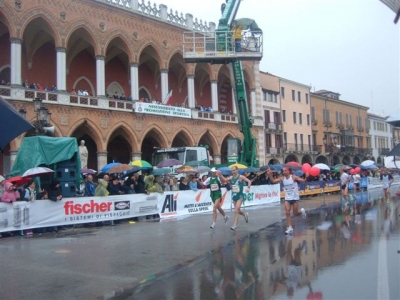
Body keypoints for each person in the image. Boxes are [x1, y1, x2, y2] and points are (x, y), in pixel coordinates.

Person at [267, 167, 307, 234]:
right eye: (283, 171)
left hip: (295, 198)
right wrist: (270, 175)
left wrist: (306, 176)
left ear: (289, 171)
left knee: (295, 213)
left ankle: (302, 211)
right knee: (287, 212)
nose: (284, 172)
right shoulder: (282, 178)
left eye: (285, 171)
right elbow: (273, 181)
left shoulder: (293, 177)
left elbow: (303, 181)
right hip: (287, 198)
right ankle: (290, 227)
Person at [223, 166, 251, 231]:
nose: (233, 172)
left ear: (237, 170)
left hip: (240, 196)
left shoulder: (241, 177)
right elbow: (224, 180)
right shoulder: (231, 177)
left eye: (234, 170)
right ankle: (245, 215)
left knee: (236, 210)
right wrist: (220, 175)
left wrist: (248, 187)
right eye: (232, 171)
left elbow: (249, 181)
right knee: (237, 210)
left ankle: (235, 225)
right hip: (234, 196)